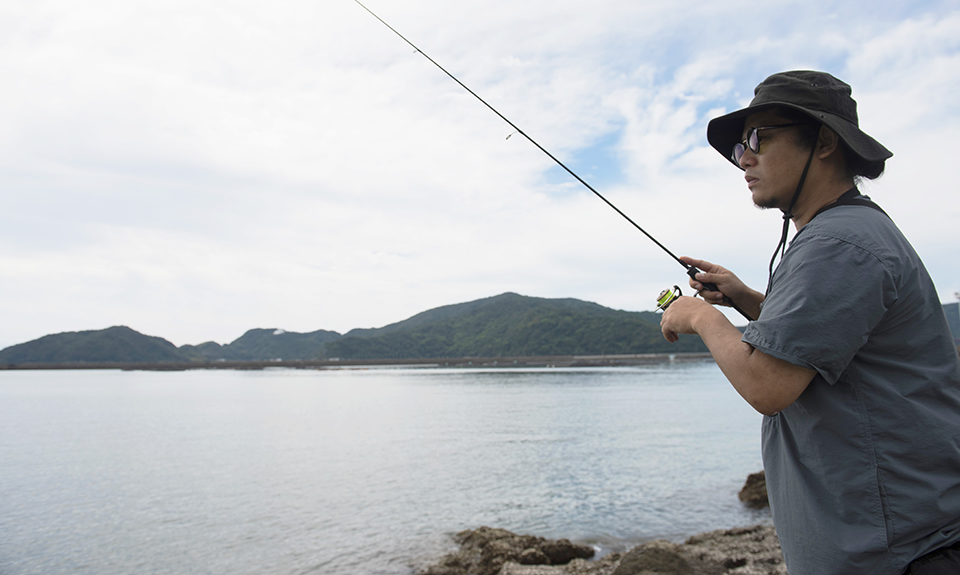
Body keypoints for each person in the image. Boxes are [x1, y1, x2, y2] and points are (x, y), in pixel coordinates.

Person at [659, 70, 960, 574]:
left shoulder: (837, 244)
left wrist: (701, 316)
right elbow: (838, 343)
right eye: (738, 148)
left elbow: (767, 385)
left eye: (758, 138)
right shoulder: (849, 232)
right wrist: (749, 300)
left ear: (823, 141)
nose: (744, 159)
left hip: (896, 553)